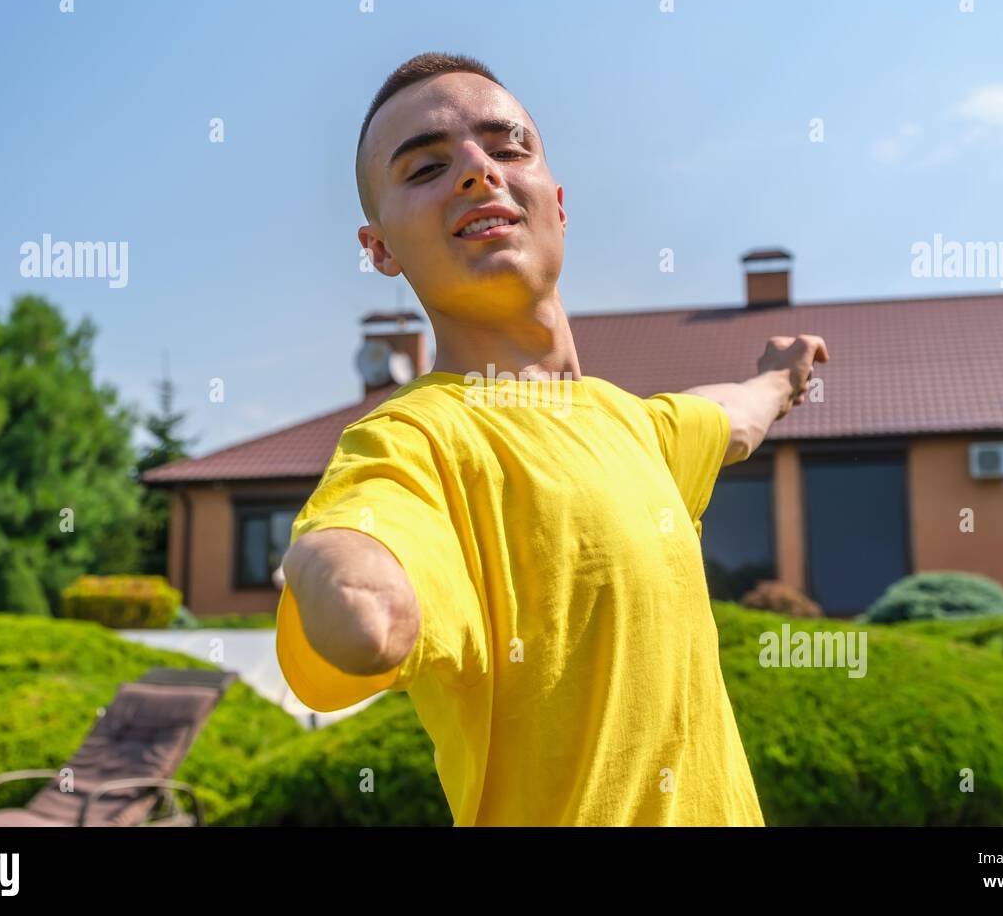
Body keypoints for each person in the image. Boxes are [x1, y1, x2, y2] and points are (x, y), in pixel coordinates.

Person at [277, 52, 828, 826]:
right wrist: (321, 552)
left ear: (557, 202)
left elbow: (728, 420)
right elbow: (369, 618)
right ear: (380, 251)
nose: (477, 169)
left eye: (507, 149)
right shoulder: (413, 441)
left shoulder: (631, 426)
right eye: (428, 166)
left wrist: (779, 379)